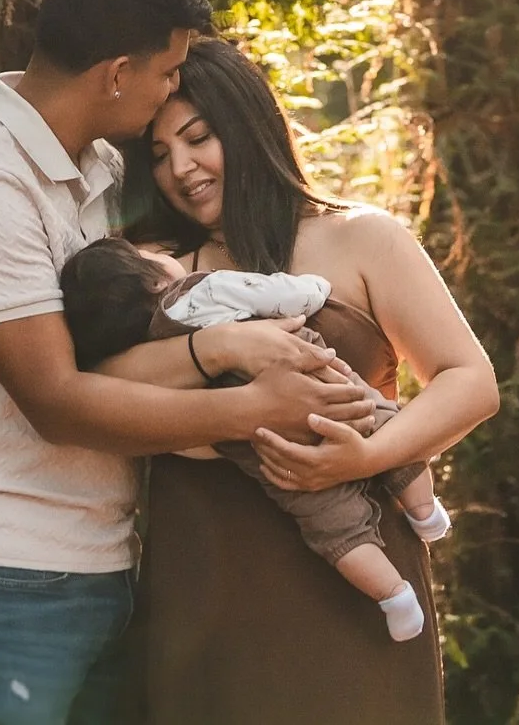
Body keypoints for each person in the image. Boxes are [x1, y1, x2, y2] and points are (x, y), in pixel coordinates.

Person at [0, 0, 376, 725]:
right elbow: (58, 401)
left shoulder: (103, 176)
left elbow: (168, 302)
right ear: (118, 74)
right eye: (168, 69)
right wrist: (256, 403)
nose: (175, 85)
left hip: (105, 565)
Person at [122, 37, 500, 725]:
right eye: (158, 153)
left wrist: (370, 456)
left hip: (360, 584)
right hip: (206, 587)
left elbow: (470, 381)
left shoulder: (362, 238)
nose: (181, 167)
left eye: (199, 137)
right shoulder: (155, 269)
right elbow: (106, 387)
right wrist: (222, 348)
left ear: (246, 123)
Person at [58, 238, 452, 641]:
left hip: (260, 444)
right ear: (156, 283)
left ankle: (393, 595)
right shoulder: (203, 289)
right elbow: (281, 295)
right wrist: (314, 289)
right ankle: (424, 513)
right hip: (323, 391)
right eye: (150, 258)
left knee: (332, 523)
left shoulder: (147, 351)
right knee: (386, 425)